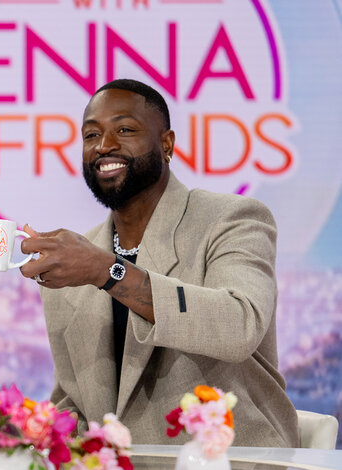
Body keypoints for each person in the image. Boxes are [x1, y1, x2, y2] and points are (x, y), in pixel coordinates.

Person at [20, 79, 299, 447]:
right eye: (91, 135)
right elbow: (77, 402)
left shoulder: (232, 219)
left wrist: (107, 271)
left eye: (124, 129)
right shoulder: (73, 262)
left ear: (166, 144)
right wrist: (21, 433)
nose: (104, 146)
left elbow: (239, 325)